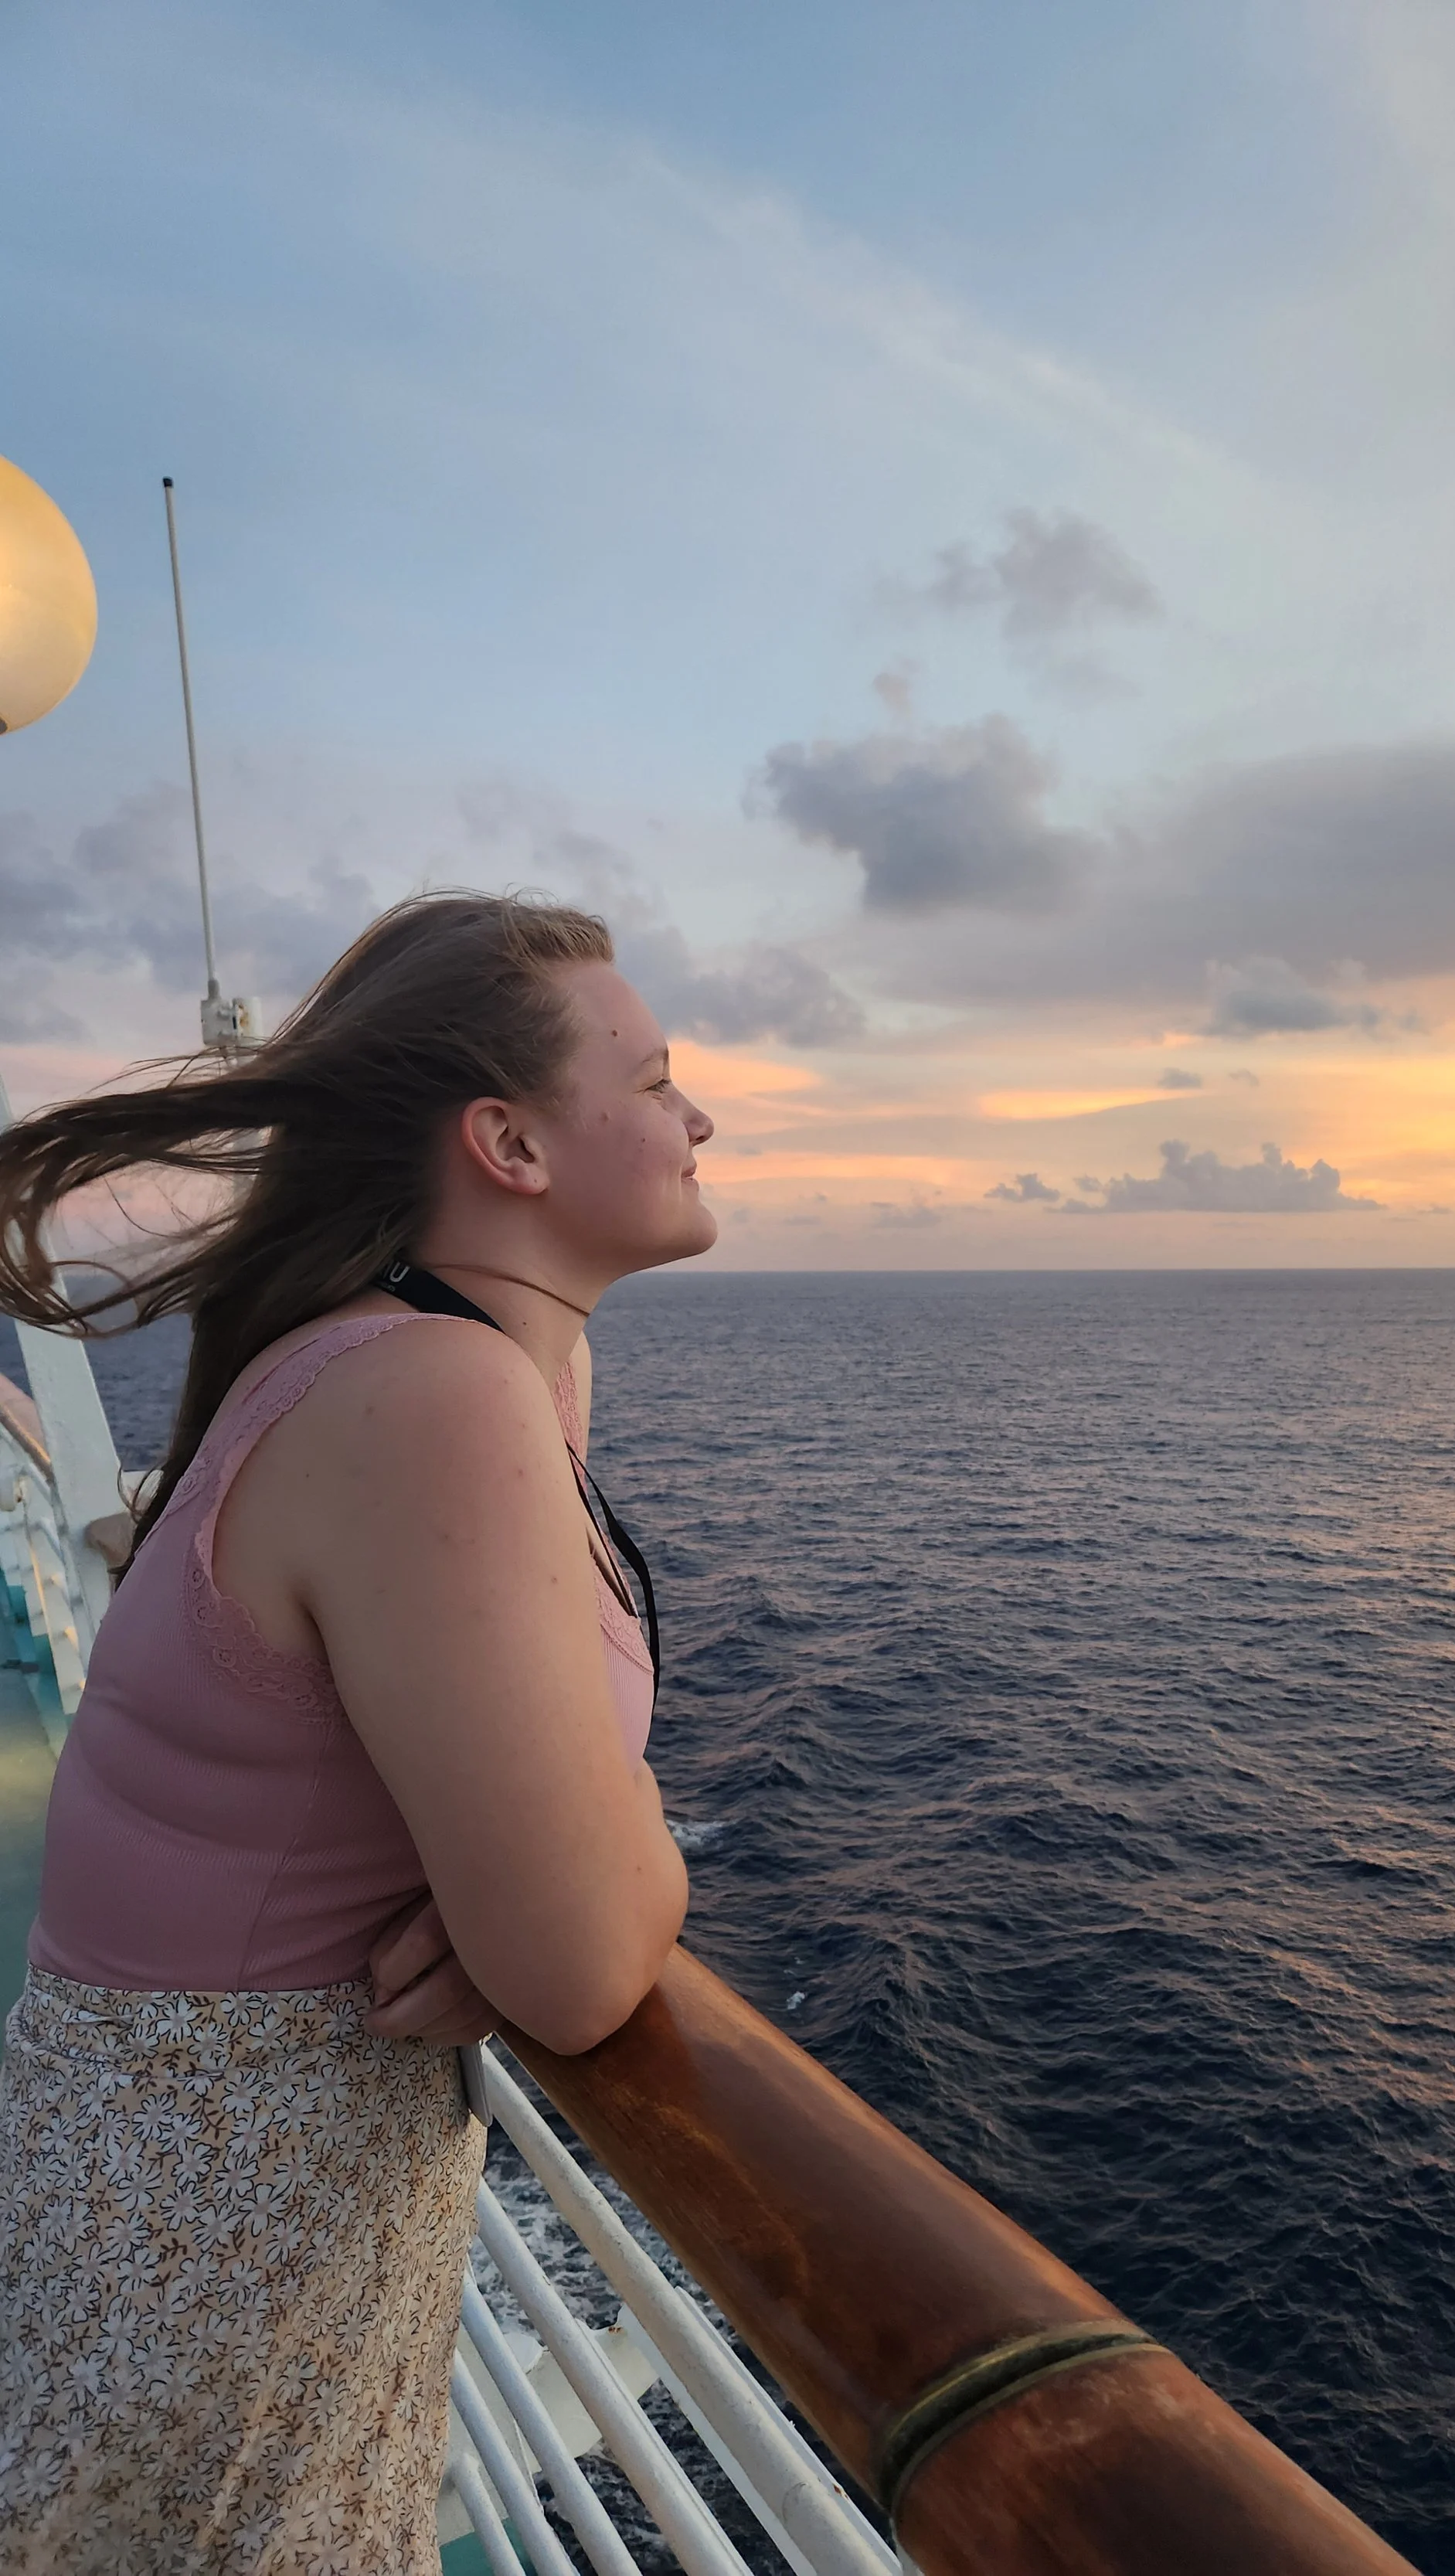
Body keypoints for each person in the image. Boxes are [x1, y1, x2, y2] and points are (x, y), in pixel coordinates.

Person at [0, 893, 709, 2571]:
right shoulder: (432, 1397)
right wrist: (573, 1881)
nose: (698, 1116)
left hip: (222, 2173)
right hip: (218, 2206)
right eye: (659, 1077)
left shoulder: (467, 1361)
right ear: (508, 1144)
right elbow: (586, 1964)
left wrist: (521, 1880)